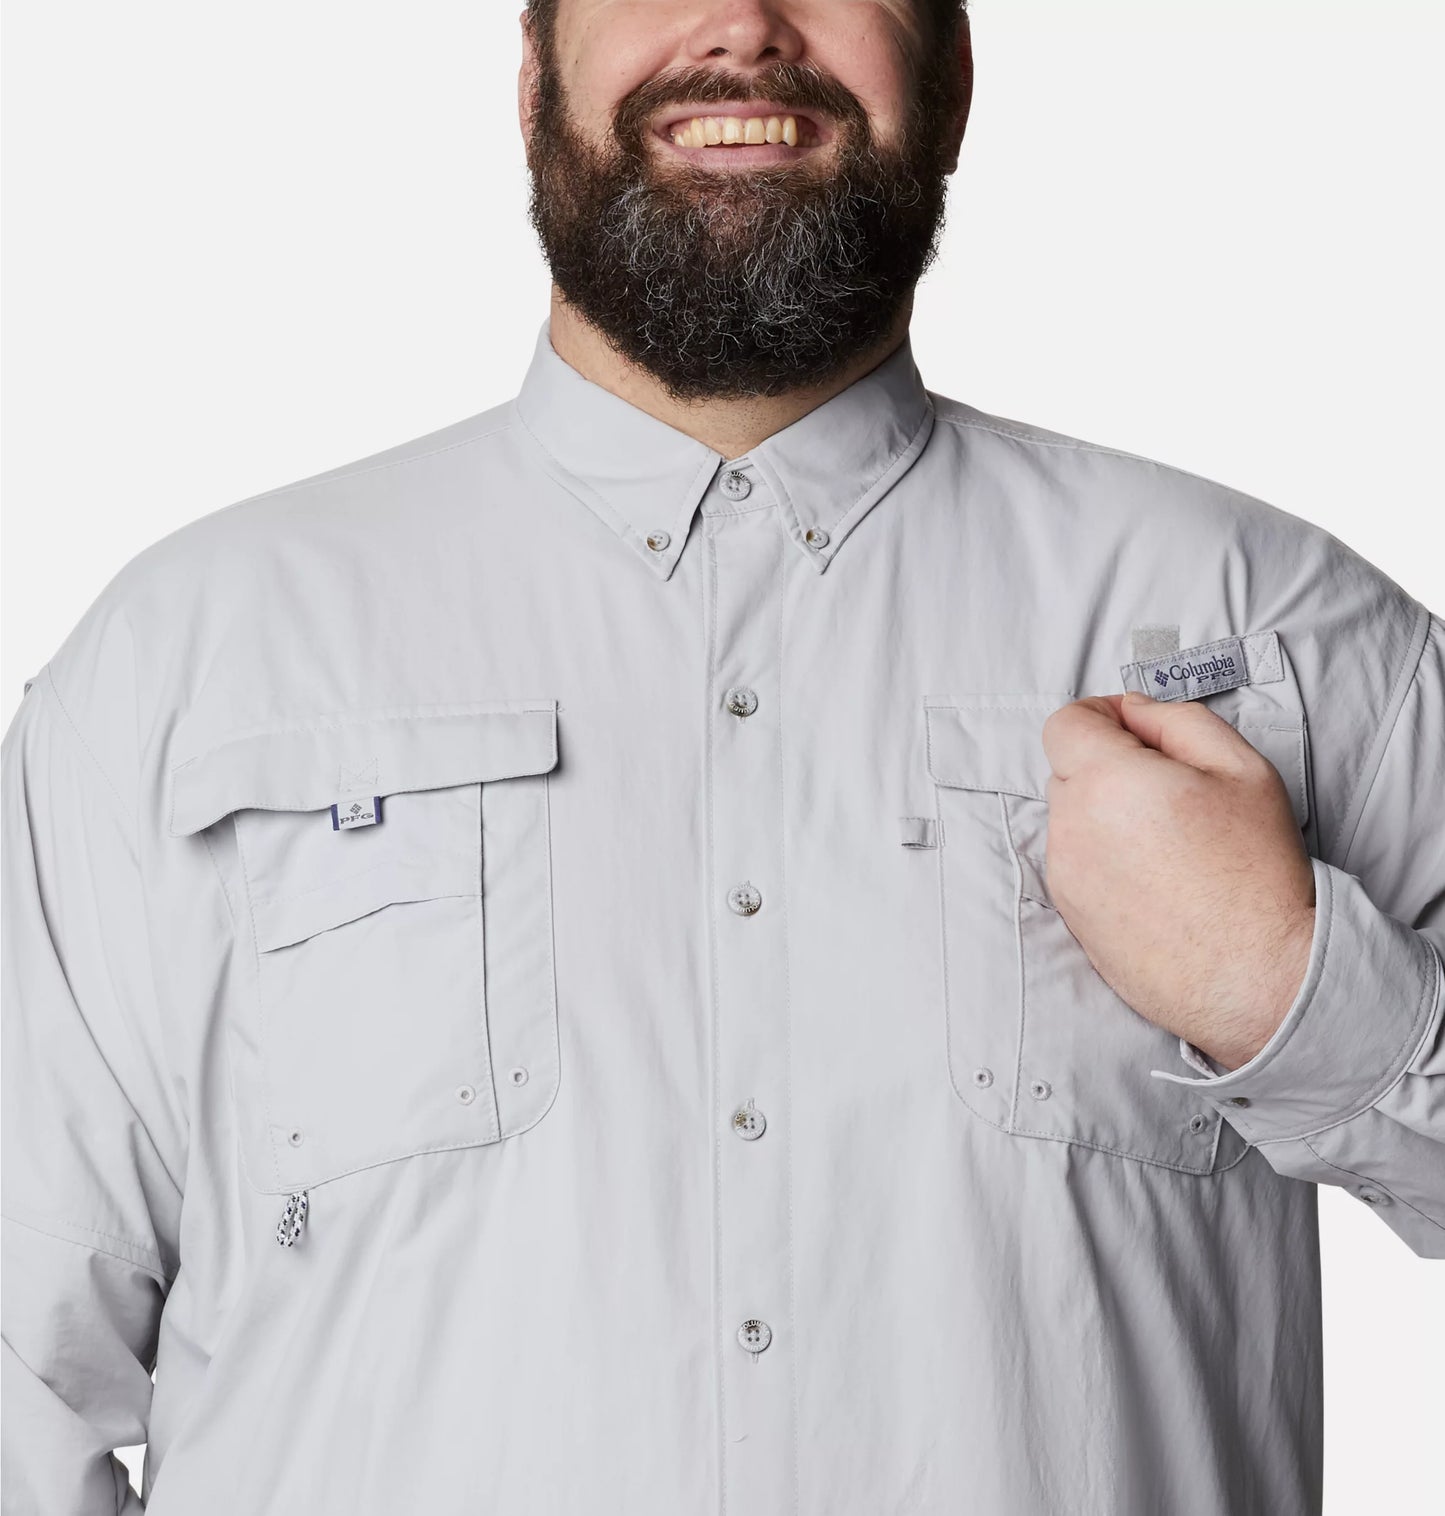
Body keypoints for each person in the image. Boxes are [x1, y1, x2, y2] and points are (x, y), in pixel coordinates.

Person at [3, 2, 1441, 1512]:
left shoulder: (1275, 628)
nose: (744, 27)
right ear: (533, 82)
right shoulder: (192, 661)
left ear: (950, 83)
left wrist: (1285, 991)